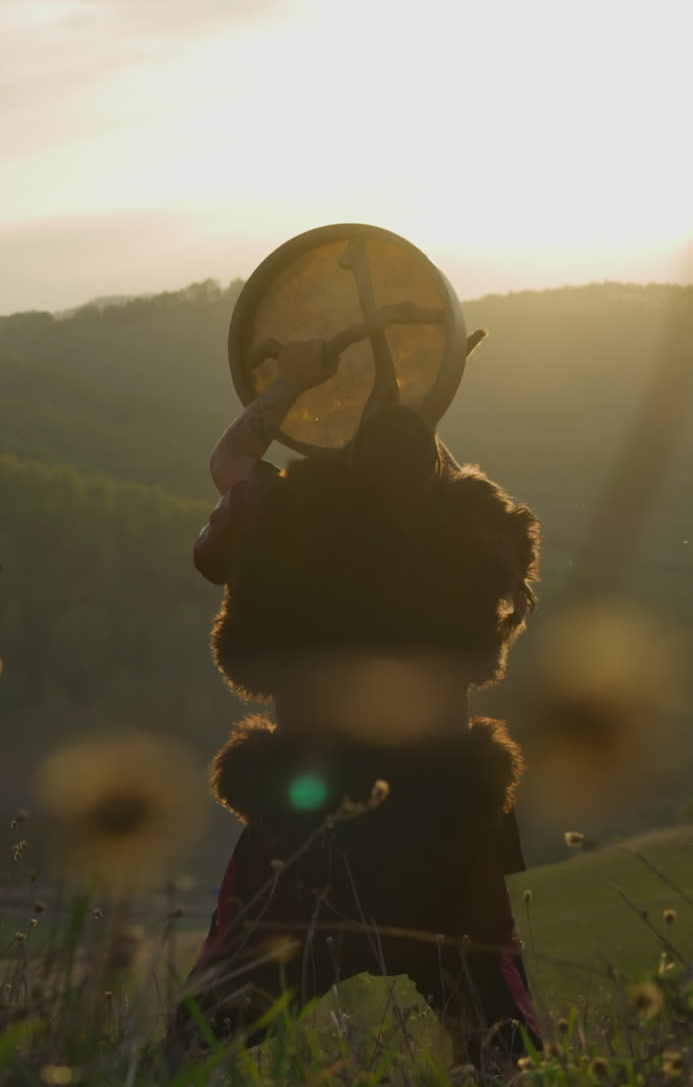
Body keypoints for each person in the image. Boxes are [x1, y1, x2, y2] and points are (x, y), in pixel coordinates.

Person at [182, 338, 541, 1062]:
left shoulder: (284, 514)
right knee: (506, 1044)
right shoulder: (477, 529)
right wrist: (426, 393)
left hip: (314, 819)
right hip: (444, 824)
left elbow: (231, 466)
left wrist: (289, 382)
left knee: (204, 1041)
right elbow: (427, 475)